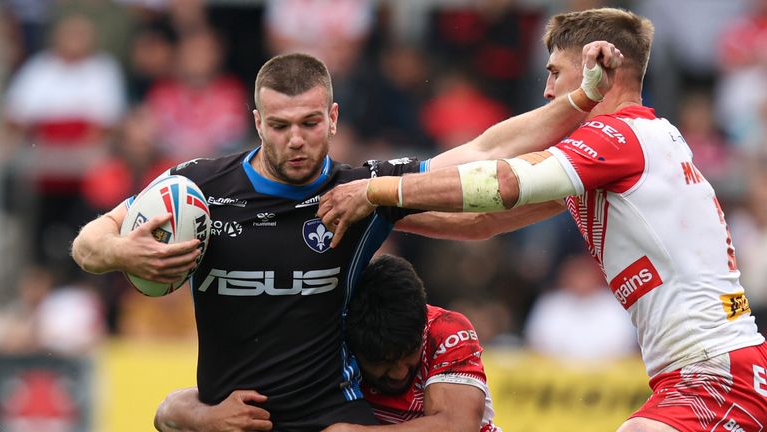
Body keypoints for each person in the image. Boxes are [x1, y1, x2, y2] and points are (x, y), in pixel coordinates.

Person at [71, 46, 621, 430]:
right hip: (229, 424)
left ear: (333, 118)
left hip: (336, 424)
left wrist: (580, 100)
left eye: (310, 123)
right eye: (279, 125)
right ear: (256, 121)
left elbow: (480, 152)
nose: (295, 141)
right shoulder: (200, 187)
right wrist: (123, 250)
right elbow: (89, 243)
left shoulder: (360, 191)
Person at [319, 8, 767, 432]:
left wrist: (377, 190)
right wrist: (378, 218)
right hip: (706, 369)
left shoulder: (619, 137)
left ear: (596, 64)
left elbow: (504, 182)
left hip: (715, 369)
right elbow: (485, 222)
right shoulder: (634, 146)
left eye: (555, 72)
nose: (549, 91)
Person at [154, 254, 502, 432]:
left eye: (407, 355)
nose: (398, 372)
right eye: (381, 361)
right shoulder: (323, 343)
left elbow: (457, 427)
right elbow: (167, 411)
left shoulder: (446, 329)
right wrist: (209, 417)